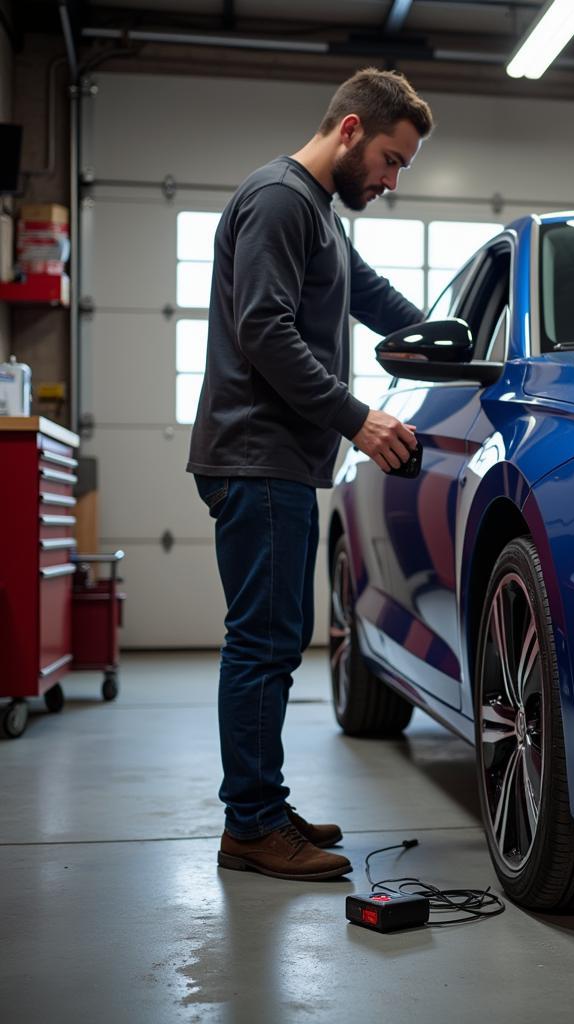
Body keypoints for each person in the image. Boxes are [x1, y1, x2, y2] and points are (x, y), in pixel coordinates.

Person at [186, 69, 433, 881]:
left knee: (277, 639)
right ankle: (250, 827)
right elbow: (264, 329)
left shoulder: (318, 215)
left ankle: (261, 803)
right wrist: (357, 418)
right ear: (353, 129)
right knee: (262, 643)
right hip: (256, 455)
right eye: (392, 161)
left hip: (278, 459)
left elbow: (378, 301)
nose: (394, 182)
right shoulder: (282, 200)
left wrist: (459, 343)